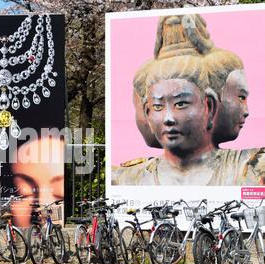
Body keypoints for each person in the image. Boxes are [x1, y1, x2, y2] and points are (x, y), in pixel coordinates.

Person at [112, 14, 265, 186]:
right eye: (157, 107)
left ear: (209, 106)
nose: (168, 118)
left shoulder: (250, 168)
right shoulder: (127, 178)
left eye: (181, 104)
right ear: (147, 113)